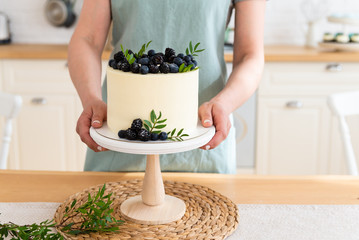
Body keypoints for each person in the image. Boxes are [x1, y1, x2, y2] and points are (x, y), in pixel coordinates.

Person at [68, 0, 266, 174]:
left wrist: (225, 103)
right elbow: (88, 40)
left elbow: (250, 55)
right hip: (119, 141)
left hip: (205, 144)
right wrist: (91, 99)